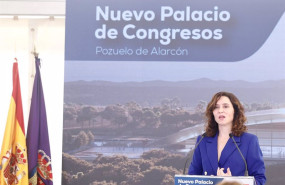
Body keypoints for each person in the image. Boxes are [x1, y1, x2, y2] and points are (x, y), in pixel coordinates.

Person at [188, 91, 266, 185]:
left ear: (235, 111)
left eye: (225, 106)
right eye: (216, 107)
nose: (220, 110)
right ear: (212, 112)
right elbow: (192, 176)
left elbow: (259, 179)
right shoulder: (202, 140)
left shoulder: (249, 141)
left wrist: (233, 182)